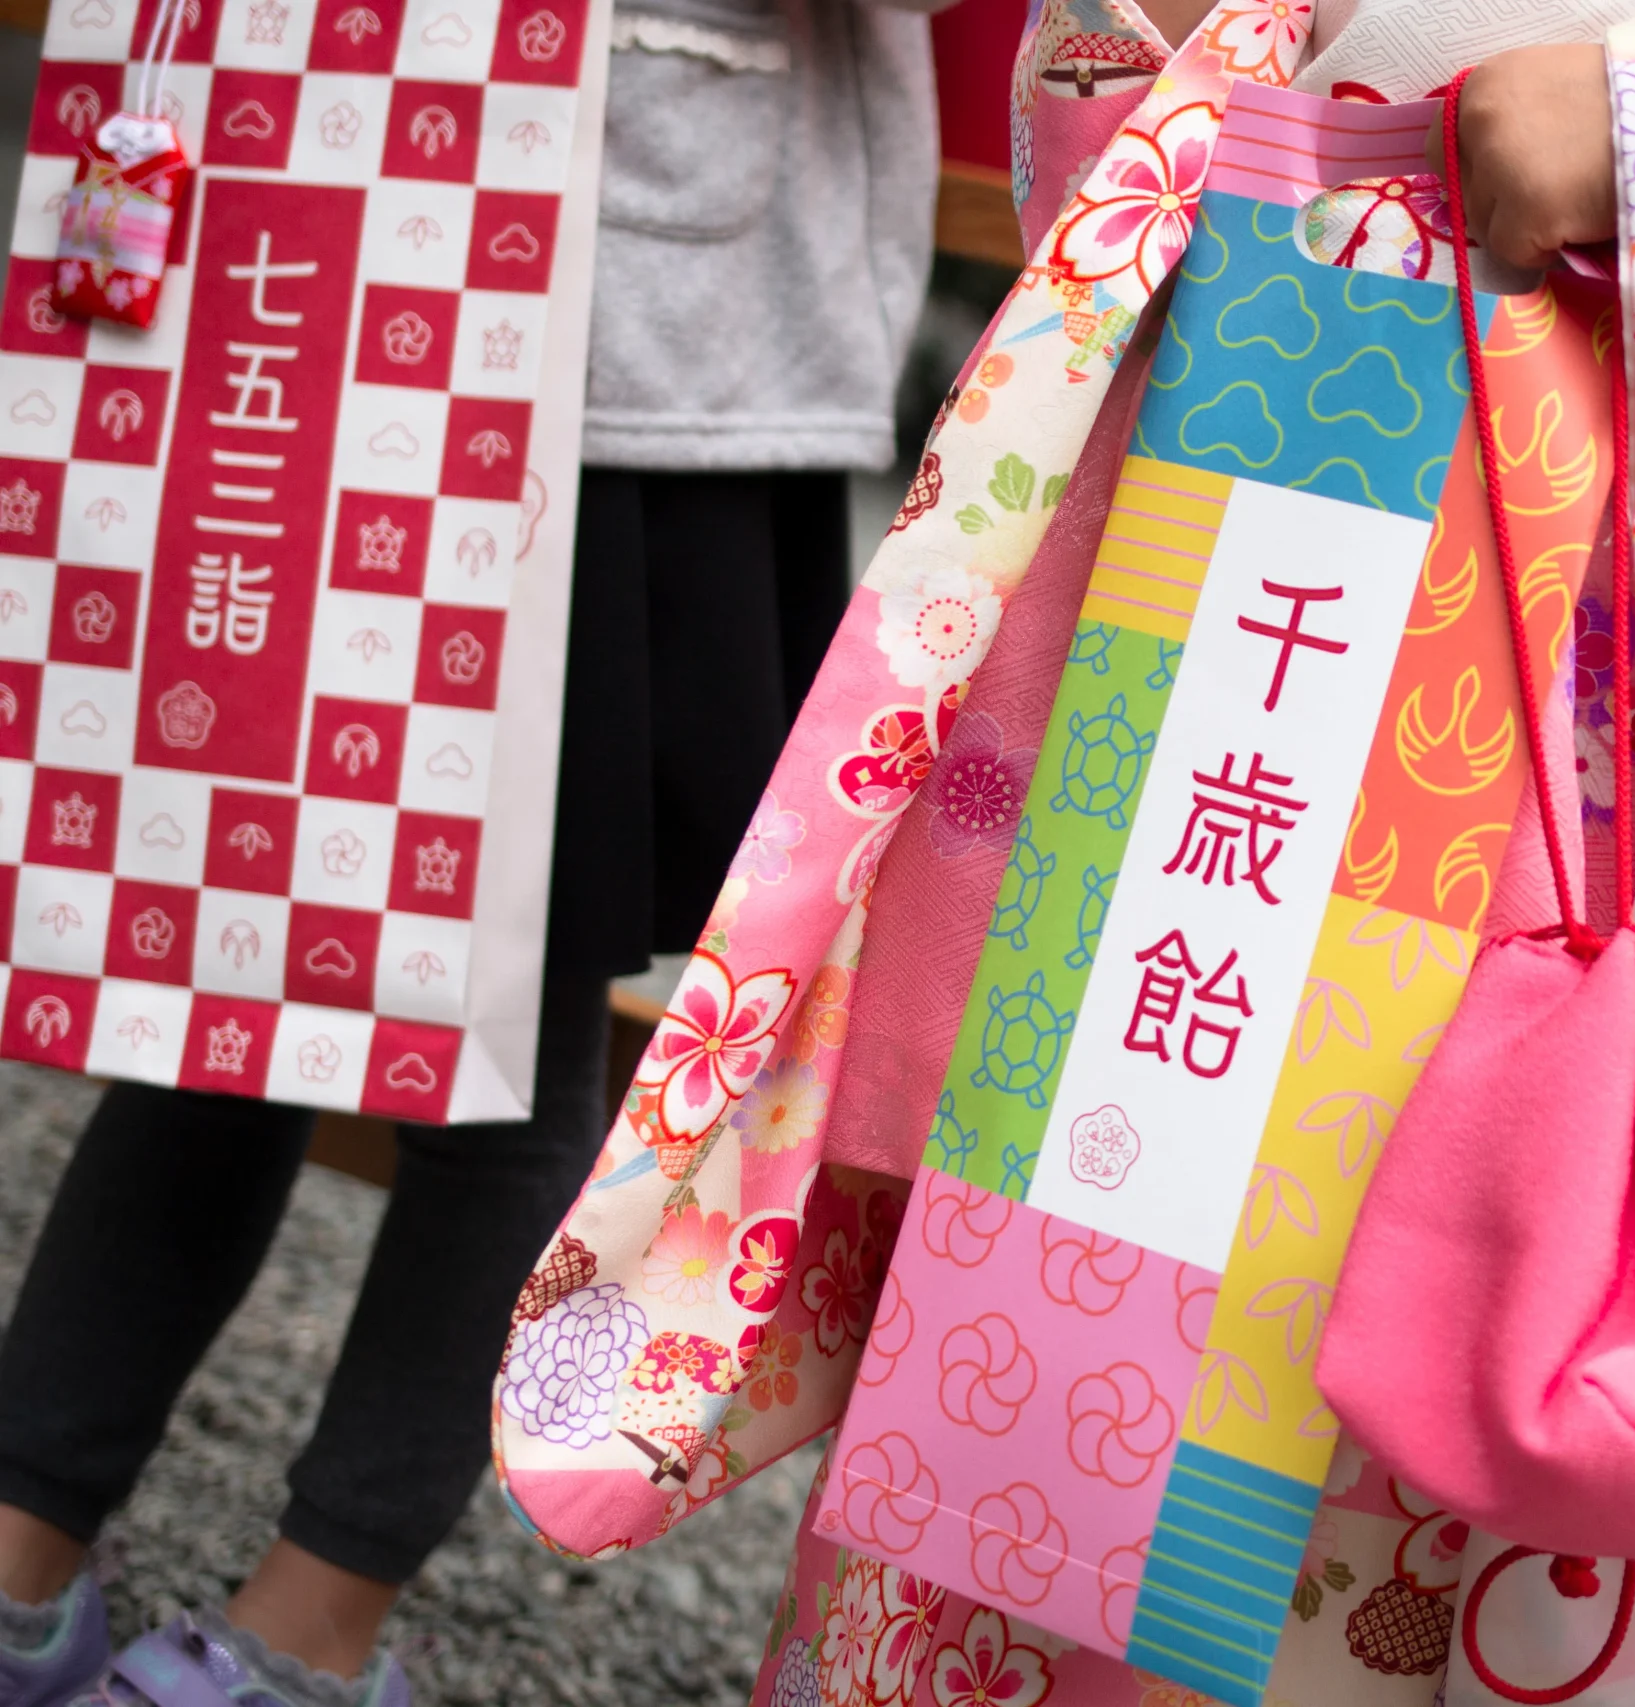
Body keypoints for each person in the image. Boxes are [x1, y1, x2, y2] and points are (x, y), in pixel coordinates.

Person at [0, 2, 956, 1703]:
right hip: (308, 278)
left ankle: (313, 1620)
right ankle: (28, 1532)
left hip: (624, 341)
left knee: (497, 1029)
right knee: (238, 957)